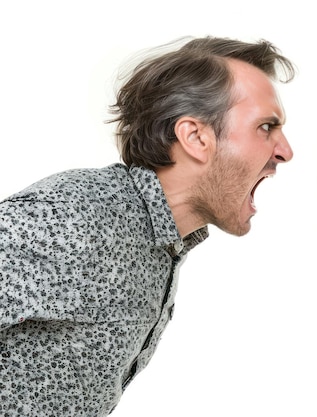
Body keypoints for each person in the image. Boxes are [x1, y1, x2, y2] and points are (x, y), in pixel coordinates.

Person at [0, 35, 295, 416]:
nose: (285, 150)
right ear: (195, 137)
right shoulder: (75, 217)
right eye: (266, 127)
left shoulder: (165, 244)